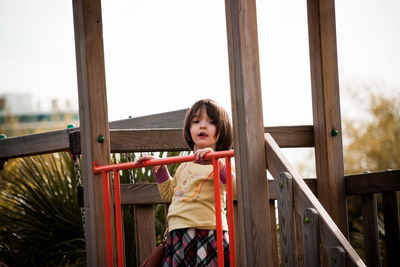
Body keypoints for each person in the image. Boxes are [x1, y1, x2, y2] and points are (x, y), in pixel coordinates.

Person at [137, 99, 236, 267]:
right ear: (189, 129)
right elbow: (170, 194)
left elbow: (233, 186)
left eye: (211, 122)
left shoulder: (222, 160)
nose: (203, 126)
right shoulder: (185, 164)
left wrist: (217, 163)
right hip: (178, 231)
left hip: (208, 230)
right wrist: (160, 169)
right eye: (196, 121)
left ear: (222, 131)